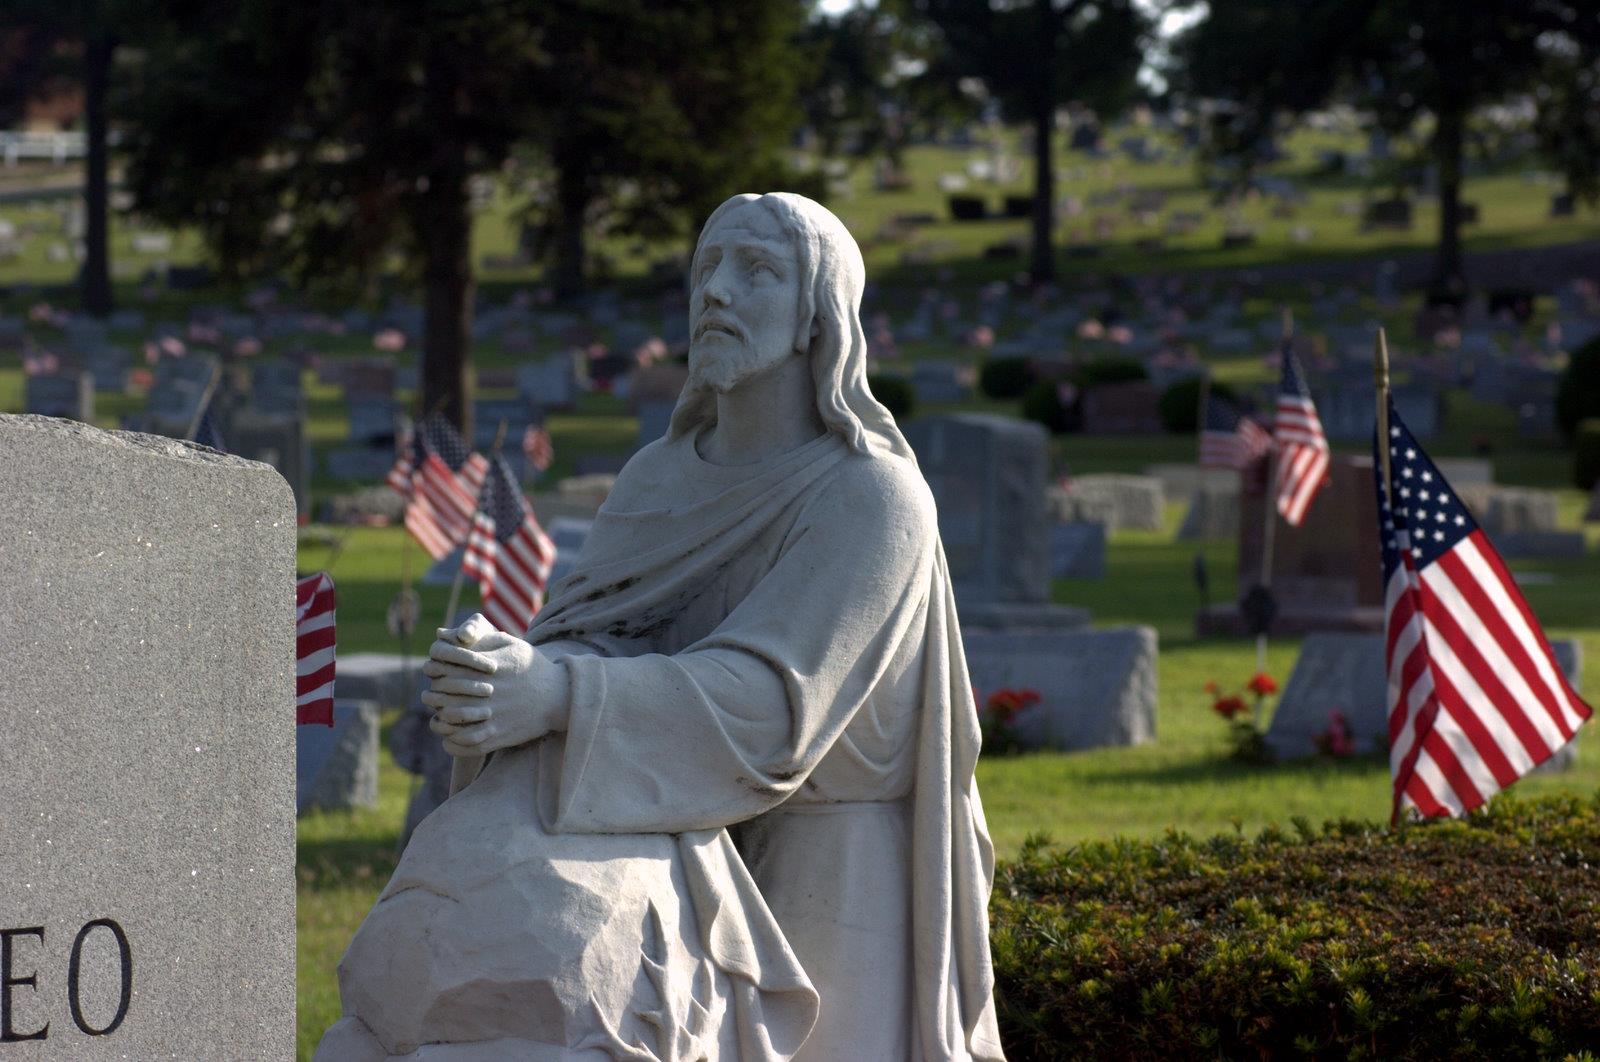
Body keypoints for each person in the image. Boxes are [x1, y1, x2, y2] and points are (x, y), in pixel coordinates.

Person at [417, 191, 1002, 1059]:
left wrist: (558, 693)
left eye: (757, 271)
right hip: (664, 857)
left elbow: (775, 707)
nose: (718, 293)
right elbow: (599, 629)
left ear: (819, 315)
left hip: (827, 876)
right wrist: (504, 674)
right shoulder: (657, 479)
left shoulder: (871, 497)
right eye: (708, 268)